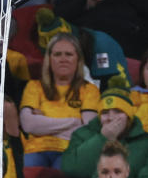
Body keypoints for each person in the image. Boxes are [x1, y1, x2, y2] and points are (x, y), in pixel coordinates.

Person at [61, 79, 148, 178]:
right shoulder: (83, 135)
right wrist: (103, 139)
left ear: (129, 116)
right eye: (105, 113)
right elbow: (73, 171)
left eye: (118, 111)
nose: (110, 118)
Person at [19, 34, 100, 169]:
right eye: (57, 54)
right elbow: (28, 124)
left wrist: (42, 124)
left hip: (70, 150)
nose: (63, 59)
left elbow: (87, 130)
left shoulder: (90, 90)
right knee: (28, 175)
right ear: (49, 59)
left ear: (78, 59)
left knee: (62, 177)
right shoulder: (34, 87)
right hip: (35, 149)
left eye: (68, 54)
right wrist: (73, 121)